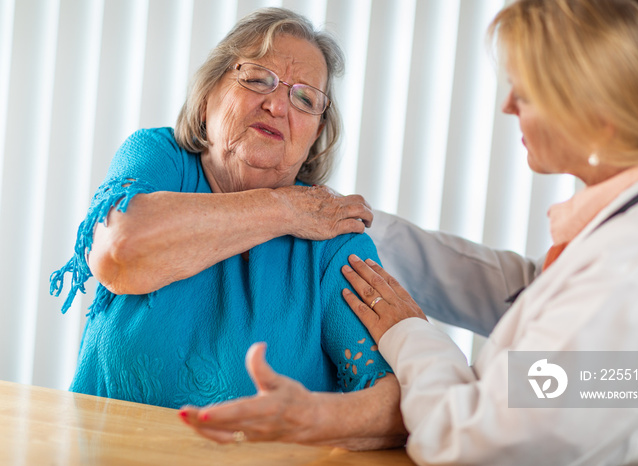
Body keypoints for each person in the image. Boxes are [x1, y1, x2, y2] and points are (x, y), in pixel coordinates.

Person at [337, 0, 638, 464]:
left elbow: (471, 442)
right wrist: (365, 225)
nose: (508, 105)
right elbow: (535, 295)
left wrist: (408, 334)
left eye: (525, 95)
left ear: (598, 114)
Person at [50, 7, 406, 450]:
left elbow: (404, 403)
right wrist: (284, 209)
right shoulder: (159, 159)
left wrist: (312, 418)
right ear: (206, 97)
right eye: (257, 79)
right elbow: (119, 252)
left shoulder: (331, 242)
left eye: (304, 99)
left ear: (315, 135)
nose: (277, 105)